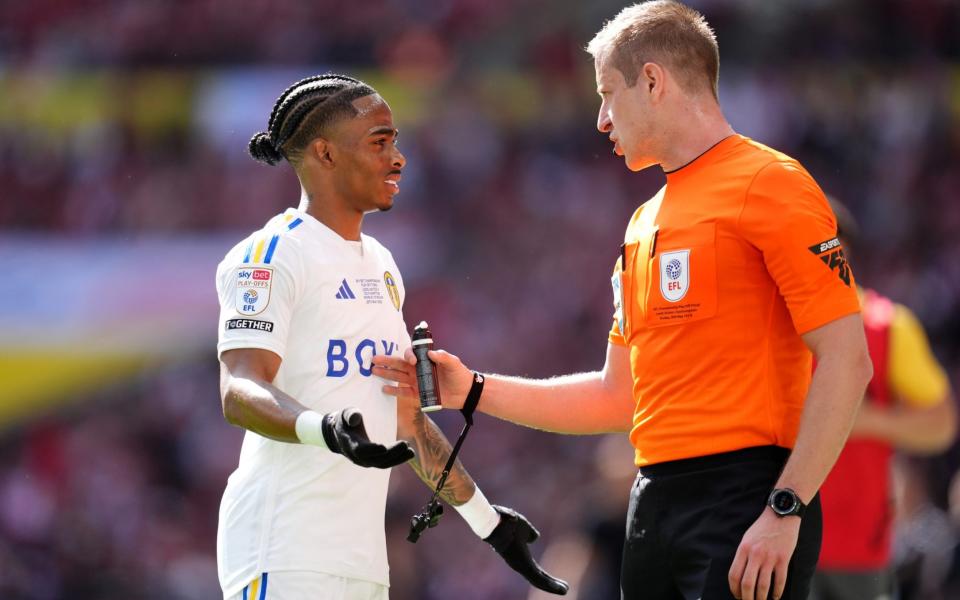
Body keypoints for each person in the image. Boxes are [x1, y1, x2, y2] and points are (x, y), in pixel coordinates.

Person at [374, 2, 874, 599]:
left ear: (654, 81)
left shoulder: (772, 183)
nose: (602, 120)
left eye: (608, 94)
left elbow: (848, 358)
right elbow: (620, 397)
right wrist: (472, 389)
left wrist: (785, 509)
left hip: (747, 500)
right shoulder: (643, 223)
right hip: (652, 504)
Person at [214, 74, 568, 600]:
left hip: (363, 565)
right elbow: (238, 389)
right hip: (281, 550)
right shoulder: (271, 254)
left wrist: (486, 521)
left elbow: (403, 416)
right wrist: (325, 428)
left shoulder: (381, 266)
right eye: (380, 142)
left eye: (396, 141)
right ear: (325, 154)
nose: (399, 158)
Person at [810, 200, 956, 600]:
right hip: (778, 544)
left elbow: (941, 425)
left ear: (844, 249)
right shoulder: (769, 325)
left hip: (862, 550)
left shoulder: (888, 326)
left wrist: (862, 420)